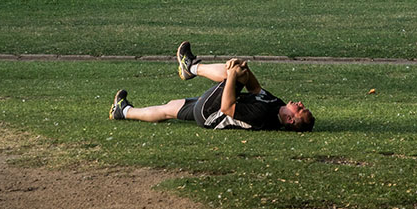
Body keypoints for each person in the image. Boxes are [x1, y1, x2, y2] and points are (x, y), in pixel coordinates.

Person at [109, 42, 315, 132]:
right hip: (209, 111)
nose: (300, 103)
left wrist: (234, 74)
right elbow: (255, 89)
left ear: (290, 119)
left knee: (230, 75)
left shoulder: (263, 116)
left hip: (211, 113)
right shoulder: (276, 105)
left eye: (300, 109)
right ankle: (123, 111)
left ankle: (191, 67)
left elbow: (227, 108)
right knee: (168, 109)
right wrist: (245, 67)